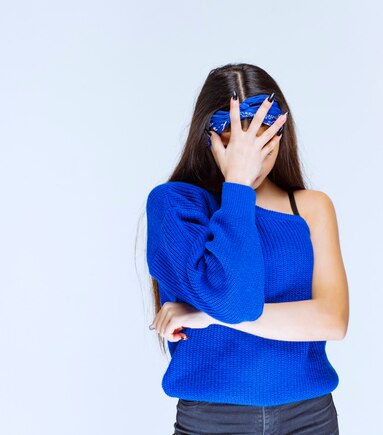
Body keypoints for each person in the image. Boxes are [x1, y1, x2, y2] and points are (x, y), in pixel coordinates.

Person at [144, 63, 349, 434]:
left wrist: (207, 315)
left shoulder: (312, 207)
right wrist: (236, 182)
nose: (249, 150)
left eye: (262, 133)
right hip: (212, 420)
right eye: (232, 135)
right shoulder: (175, 206)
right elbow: (235, 301)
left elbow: (333, 321)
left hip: (309, 418)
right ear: (206, 136)